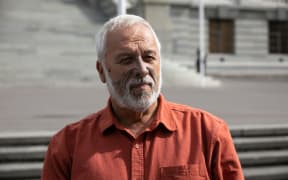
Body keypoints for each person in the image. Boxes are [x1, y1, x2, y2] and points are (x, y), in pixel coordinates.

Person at [42, 14, 244, 180]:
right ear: (102, 70)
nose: (141, 69)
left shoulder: (208, 133)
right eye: (126, 59)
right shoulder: (67, 146)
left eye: (149, 57)